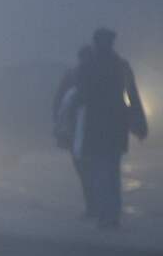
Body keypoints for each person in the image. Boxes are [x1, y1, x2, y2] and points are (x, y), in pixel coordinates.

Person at [79, 28, 148, 229]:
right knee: (111, 170)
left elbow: (81, 94)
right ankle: (111, 214)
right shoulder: (121, 65)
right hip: (116, 125)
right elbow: (133, 95)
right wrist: (139, 123)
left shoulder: (89, 66)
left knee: (99, 170)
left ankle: (104, 214)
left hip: (95, 124)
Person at [53, 46, 94, 218]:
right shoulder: (83, 76)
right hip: (82, 130)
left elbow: (59, 102)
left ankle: (92, 205)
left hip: (78, 130)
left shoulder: (74, 75)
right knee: (88, 169)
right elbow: (59, 102)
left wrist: (58, 123)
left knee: (84, 169)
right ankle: (94, 205)